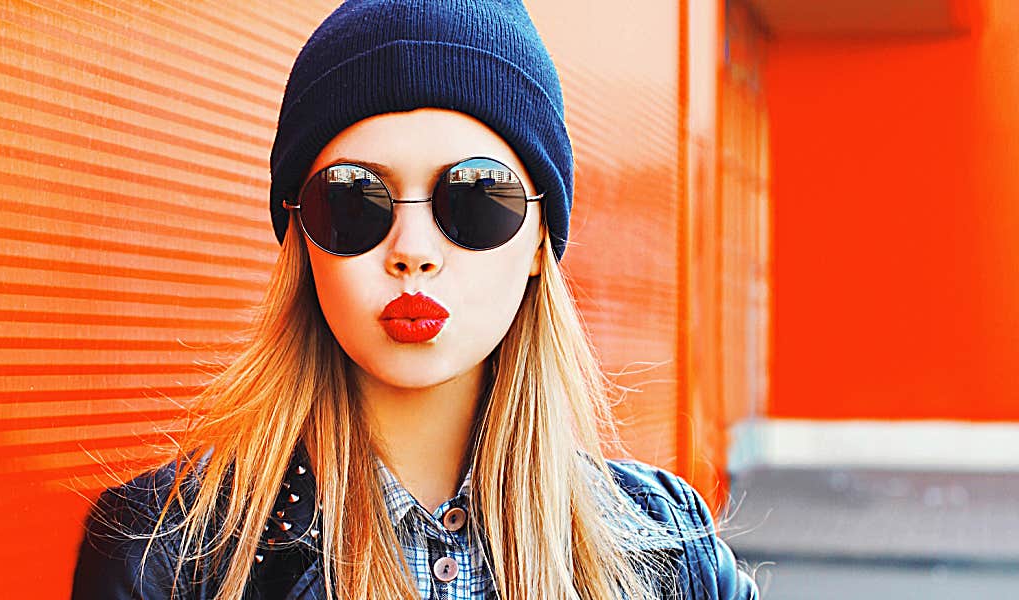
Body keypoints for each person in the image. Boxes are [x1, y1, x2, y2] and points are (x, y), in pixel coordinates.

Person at [71, 1, 759, 599]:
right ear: (302, 242)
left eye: (475, 198)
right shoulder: (164, 557)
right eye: (353, 199)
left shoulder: (673, 552)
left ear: (539, 242)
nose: (413, 249)